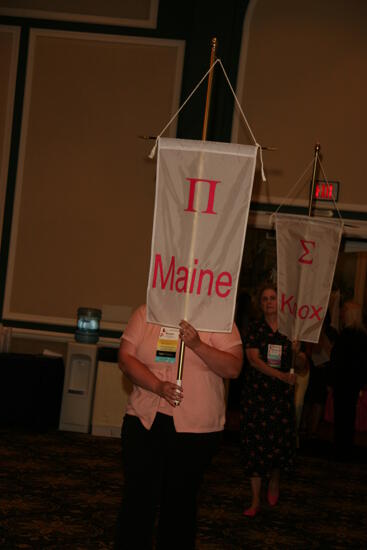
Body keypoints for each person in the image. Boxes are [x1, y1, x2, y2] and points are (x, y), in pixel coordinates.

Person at [113, 304, 243, 549]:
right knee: (138, 500)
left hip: (195, 430)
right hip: (144, 421)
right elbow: (125, 358)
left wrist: (197, 345)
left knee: (179, 504)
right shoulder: (146, 313)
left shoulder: (217, 317)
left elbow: (233, 368)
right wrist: (157, 386)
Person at [240, 283, 306, 516]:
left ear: (281, 302)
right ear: (261, 303)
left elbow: (302, 366)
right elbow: (253, 360)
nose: (269, 302)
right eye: (265, 298)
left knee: (277, 447)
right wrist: (280, 375)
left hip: (280, 401)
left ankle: (275, 482)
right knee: (255, 449)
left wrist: (297, 353)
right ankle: (255, 500)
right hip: (257, 398)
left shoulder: (291, 331)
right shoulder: (255, 329)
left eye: (273, 298)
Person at [330, 300, 367, 460]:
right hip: (353, 382)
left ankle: (340, 448)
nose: (341, 314)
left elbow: (337, 360)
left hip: (342, 382)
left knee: (341, 415)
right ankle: (346, 446)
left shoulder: (346, 335)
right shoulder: (363, 336)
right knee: (349, 414)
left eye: (344, 311)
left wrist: (331, 381)